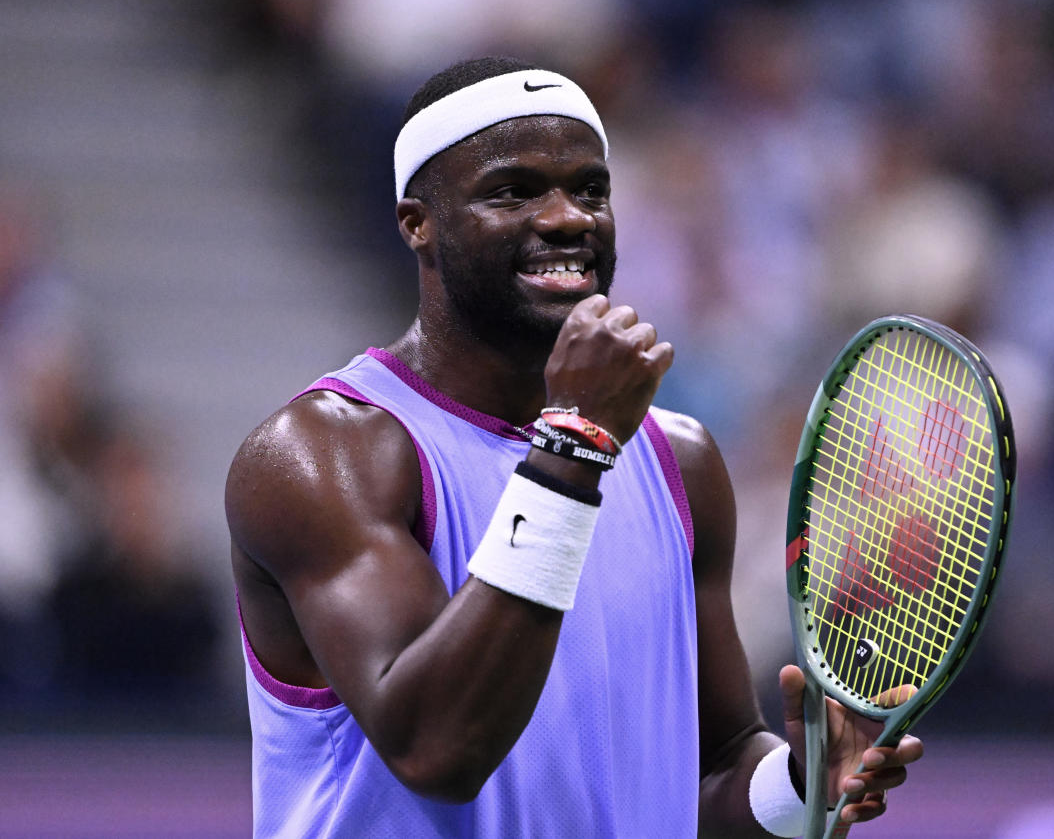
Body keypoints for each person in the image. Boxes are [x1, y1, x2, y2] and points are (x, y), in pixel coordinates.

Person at [226, 56, 924, 837]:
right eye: (513, 191)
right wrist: (576, 444)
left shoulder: (680, 461)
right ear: (416, 221)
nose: (568, 218)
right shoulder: (323, 453)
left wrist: (799, 785)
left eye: (591, 189)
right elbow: (437, 747)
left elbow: (714, 766)